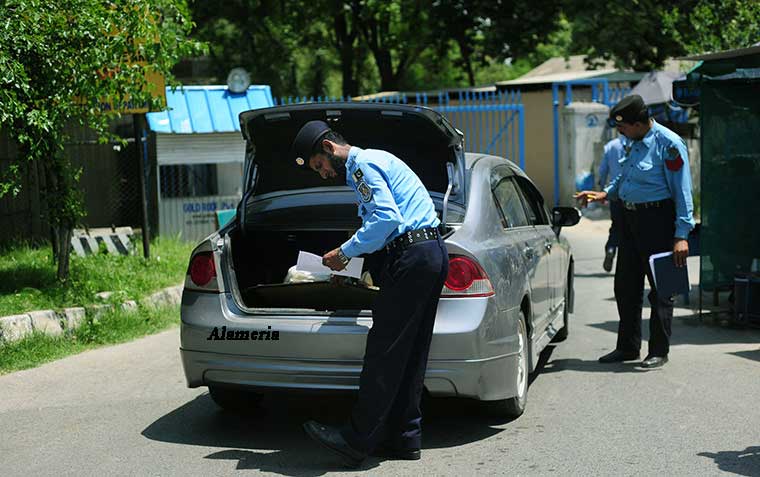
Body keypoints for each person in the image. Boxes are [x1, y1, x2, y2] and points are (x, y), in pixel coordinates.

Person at [291, 120, 449, 466]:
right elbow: (385, 225)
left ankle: (356, 439)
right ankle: (405, 437)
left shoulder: (361, 166)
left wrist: (345, 252)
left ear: (329, 149)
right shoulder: (376, 161)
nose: (322, 174)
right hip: (429, 253)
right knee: (409, 353)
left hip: (412, 256)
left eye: (319, 165)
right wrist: (353, 270)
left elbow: (386, 220)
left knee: (384, 351)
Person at [575, 95, 695, 369]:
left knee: (661, 291)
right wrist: (603, 193)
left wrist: (681, 235)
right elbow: (626, 175)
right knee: (625, 287)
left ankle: (658, 351)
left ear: (640, 123)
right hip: (629, 221)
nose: (620, 133)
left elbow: (683, 191)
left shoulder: (670, 145)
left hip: (658, 221)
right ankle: (627, 347)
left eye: (624, 128)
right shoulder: (634, 142)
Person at [598, 135, 628, 272]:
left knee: (616, 225)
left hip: (615, 194)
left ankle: (611, 248)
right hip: (634, 195)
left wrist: (603, 190)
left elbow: (603, 170)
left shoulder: (610, 146)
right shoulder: (637, 144)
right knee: (631, 227)